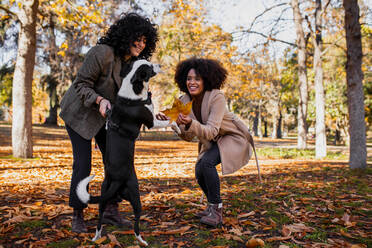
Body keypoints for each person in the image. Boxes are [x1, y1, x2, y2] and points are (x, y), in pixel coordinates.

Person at [59, 13, 158, 233]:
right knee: (83, 163)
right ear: (126, 35)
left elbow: (132, 100)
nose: (141, 45)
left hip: (110, 118)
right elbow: (81, 84)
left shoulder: (136, 65)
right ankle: (78, 214)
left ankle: (111, 210)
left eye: (145, 41)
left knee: (116, 161)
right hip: (81, 113)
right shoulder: (101, 53)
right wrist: (99, 99)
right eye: (137, 39)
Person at [159, 57, 254, 227]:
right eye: (189, 78)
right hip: (214, 140)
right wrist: (174, 123)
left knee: (207, 163)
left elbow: (211, 131)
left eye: (197, 78)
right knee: (199, 170)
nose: (192, 82)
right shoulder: (184, 100)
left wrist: (191, 123)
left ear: (206, 80)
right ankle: (211, 206)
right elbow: (188, 136)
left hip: (231, 136)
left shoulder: (216, 96)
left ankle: (217, 210)